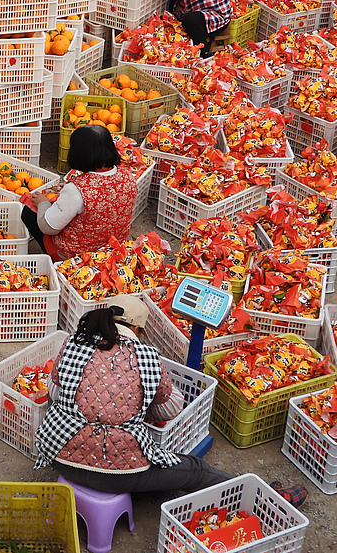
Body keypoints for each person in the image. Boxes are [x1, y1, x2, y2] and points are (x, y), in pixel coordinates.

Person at [34, 296, 234, 494]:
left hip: (59, 456)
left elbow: (55, 390)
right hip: (119, 474)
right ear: (138, 329)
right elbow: (169, 409)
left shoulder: (74, 342)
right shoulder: (146, 356)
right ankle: (244, 490)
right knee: (195, 470)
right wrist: (142, 407)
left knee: (58, 386)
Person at [21, 125, 137, 260]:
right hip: (112, 249)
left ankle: (55, 259)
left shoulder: (77, 189)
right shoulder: (128, 176)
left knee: (29, 211)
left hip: (78, 256)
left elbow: (48, 228)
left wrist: (43, 204)